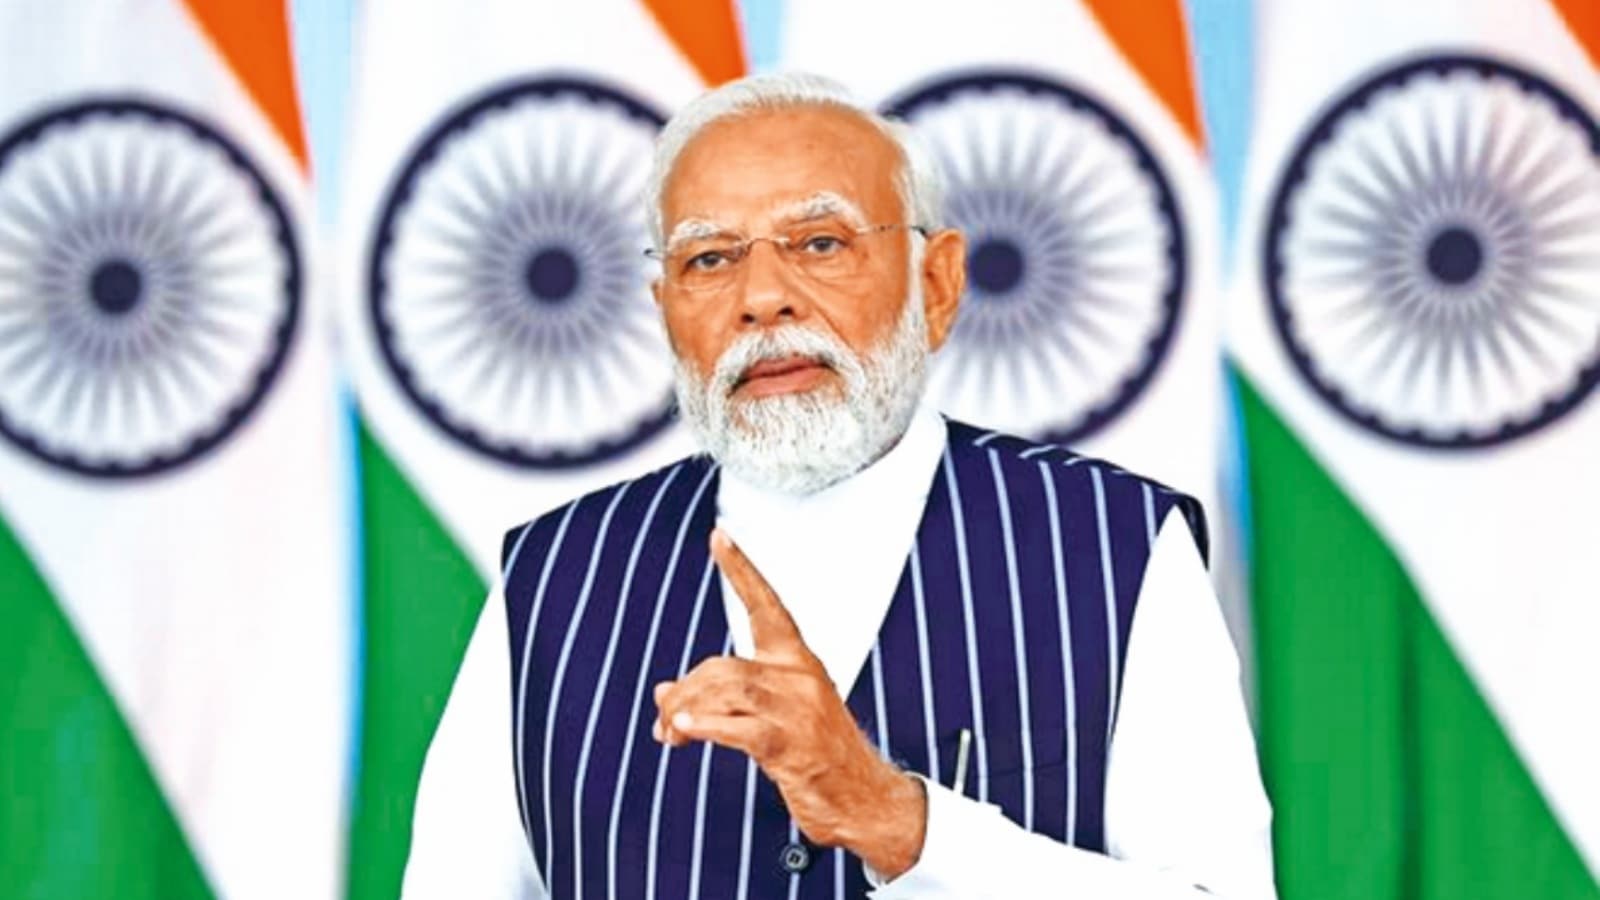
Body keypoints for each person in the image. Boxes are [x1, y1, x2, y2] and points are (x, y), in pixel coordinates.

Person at [402, 72, 1276, 899]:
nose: (762, 298)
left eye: (820, 244)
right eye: (709, 259)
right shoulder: (557, 574)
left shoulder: (1108, 544)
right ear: (665, 310)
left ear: (936, 285)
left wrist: (902, 824)